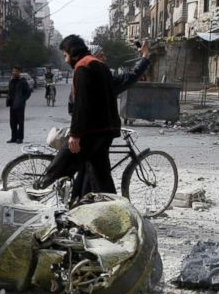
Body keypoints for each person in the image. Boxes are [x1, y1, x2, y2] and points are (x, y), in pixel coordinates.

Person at [45, 41, 151, 201]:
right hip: (92, 134)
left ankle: (83, 204)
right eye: (101, 56)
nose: (104, 59)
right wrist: (144, 57)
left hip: (92, 133)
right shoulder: (91, 77)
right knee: (73, 170)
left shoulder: (93, 76)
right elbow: (129, 78)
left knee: (91, 173)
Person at [6, 66, 32, 143]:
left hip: (20, 106)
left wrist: (22, 100)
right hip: (12, 105)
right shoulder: (11, 81)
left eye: (16, 71)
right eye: (13, 71)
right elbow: (9, 92)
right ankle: (13, 137)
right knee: (12, 122)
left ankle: (20, 138)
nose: (14, 73)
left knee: (20, 123)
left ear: (19, 72)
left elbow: (28, 92)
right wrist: (8, 100)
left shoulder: (23, 82)